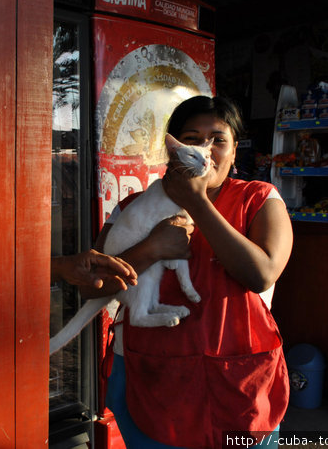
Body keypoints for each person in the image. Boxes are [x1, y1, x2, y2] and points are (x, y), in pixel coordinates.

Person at [85, 96, 293, 448]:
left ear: (234, 149)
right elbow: (93, 287)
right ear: (174, 149)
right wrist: (152, 248)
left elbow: (262, 274)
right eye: (192, 138)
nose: (205, 148)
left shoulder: (259, 199)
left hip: (239, 379)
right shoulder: (132, 206)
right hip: (149, 375)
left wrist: (196, 200)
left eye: (218, 139)